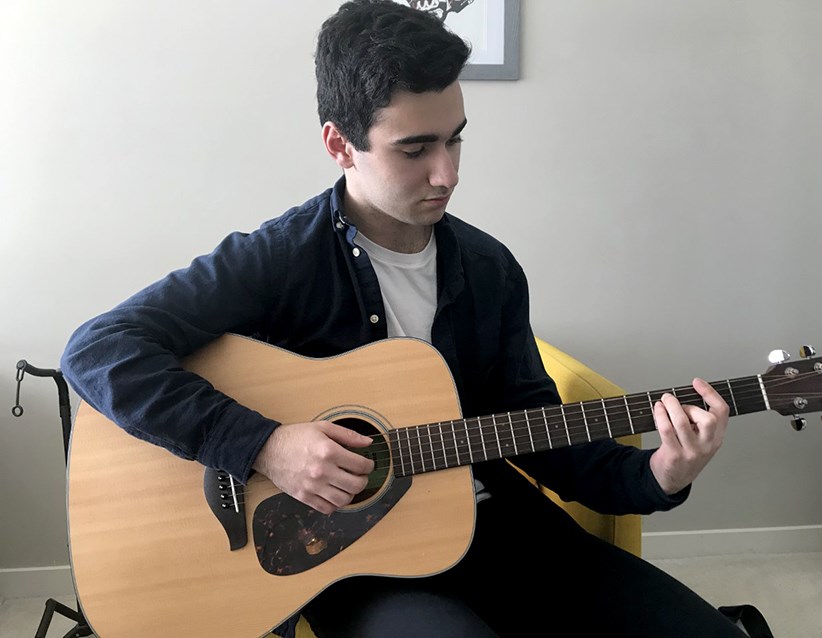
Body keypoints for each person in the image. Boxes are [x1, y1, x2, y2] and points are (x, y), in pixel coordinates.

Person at [61, 1, 742, 636]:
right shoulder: (277, 259)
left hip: (496, 528)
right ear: (339, 144)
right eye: (415, 150)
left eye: (456, 141)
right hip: (347, 557)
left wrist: (661, 474)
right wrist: (265, 445)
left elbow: (545, 438)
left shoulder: (489, 269)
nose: (446, 174)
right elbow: (96, 350)